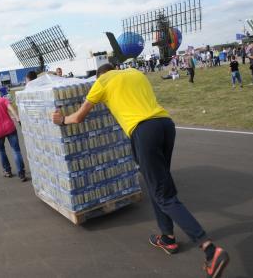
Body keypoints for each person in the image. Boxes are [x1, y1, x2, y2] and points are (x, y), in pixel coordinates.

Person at [52, 64, 229, 278]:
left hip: (143, 132)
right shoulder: (135, 72)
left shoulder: (103, 82)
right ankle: (168, 238)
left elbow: (79, 117)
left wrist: (62, 120)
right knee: (157, 185)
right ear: (116, 68)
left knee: (164, 195)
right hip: (165, 124)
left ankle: (209, 249)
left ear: (100, 75)